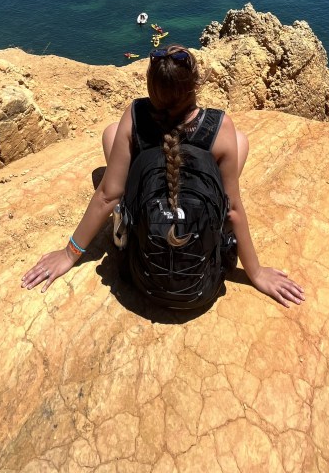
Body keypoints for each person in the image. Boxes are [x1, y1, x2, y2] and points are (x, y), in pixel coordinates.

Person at [21, 44, 305, 309]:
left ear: (150, 86)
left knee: (111, 134)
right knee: (239, 142)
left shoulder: (134, 115)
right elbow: (232, 211)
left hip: (141, 273)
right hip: (200, 284)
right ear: (195, 85)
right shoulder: (220, 126)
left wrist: (70, 254)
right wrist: (256, 272)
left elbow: (108, 196)